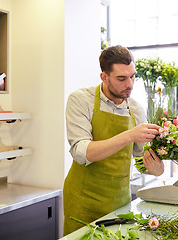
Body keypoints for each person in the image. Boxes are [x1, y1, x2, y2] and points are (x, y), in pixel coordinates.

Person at [63, 45, 164, 235]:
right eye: (121, 78)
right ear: (104, 77)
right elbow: (81, 153)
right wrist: (130, 134)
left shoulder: (136, 108)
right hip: (83, 200)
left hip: (120, 200)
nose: (130, 84)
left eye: (133, 76)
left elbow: (141, 160)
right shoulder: (80, 100)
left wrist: (156, 169)